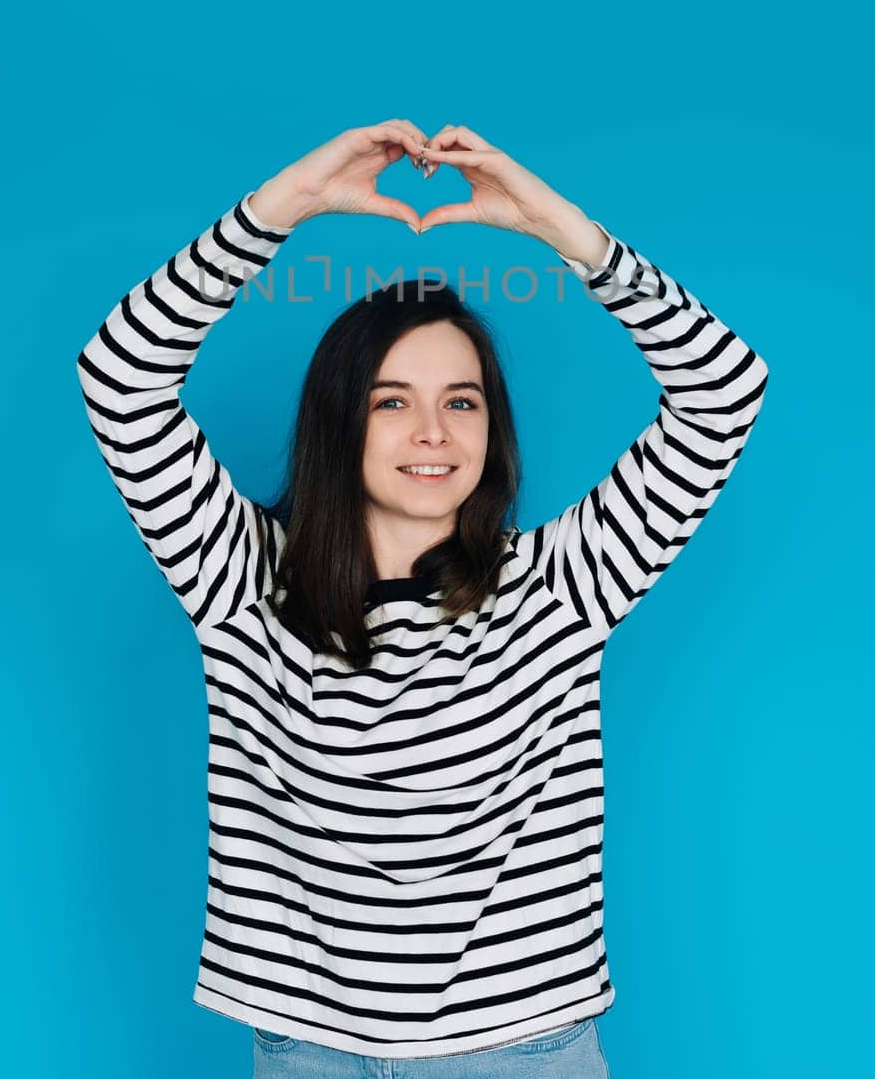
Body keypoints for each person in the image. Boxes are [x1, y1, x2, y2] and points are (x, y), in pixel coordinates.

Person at [75, 119, 769, 1077]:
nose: (433, 431)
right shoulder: (239, 578)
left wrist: (567, 234)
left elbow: (723, 391)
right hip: (307, 1052)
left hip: (526, 1049)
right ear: (340, 419)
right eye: (392, 399)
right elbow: (118, 376)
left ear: (494, 426)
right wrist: (285, 207)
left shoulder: (564, 583)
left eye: (463, 399)